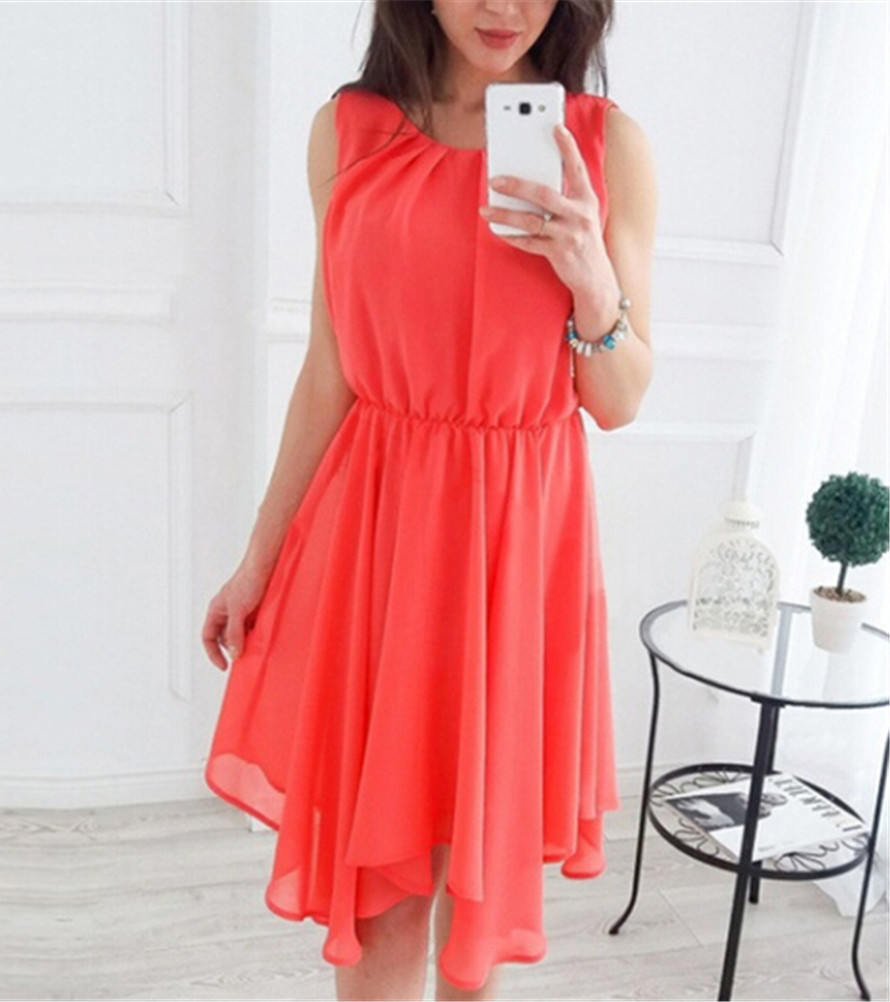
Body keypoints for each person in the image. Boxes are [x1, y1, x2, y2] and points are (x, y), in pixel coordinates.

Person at [201, 1, 657, 999]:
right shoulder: (350, 131)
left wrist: (589, 276)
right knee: (384, 900)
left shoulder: (605, 144)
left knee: (476, 890)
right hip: (379, 538)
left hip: (518, 552)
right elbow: (329, 372)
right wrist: (257, 560)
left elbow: (619, 401)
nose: (504, 8)